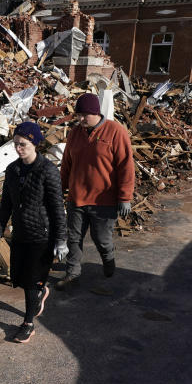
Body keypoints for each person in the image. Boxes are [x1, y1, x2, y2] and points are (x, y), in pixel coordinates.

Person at [0, 121, 68, 344]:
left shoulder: (47, 171)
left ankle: (28, 324)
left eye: (22, 144)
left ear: (34, 143)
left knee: (30, 283)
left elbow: (57, 208)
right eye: (15, 144)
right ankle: (40, 292)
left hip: (42, 236)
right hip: (20, 233)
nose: (18, 149)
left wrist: (61, 240)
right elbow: (6, 205)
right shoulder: (13, 170)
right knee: (19, 278)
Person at [57, 92, 135, 290]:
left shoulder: (115, 131)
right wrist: (59, 189)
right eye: (79, 115)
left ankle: (108, 259)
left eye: (85, 115)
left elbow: (126, 166)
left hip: (104, 201)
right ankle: (72, 274)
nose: (81, 119)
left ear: (96, 113)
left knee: (101, 239)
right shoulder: (75, 133)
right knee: (74, 239)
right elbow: (66, 164)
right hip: (77, 198)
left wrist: (125, 197)